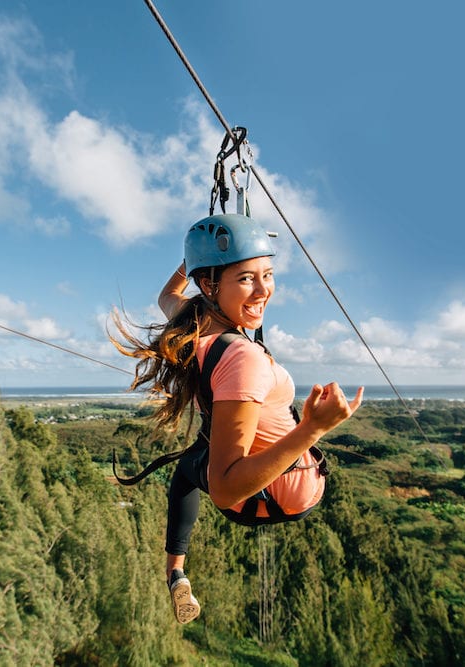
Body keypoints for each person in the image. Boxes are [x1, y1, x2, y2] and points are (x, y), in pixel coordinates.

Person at [112, 214, 364, 624]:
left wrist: (193, 261)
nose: (264, 290)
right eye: (247, 278)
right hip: (279, 491)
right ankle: (174, 570)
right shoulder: (242, 358)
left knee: (185, 473)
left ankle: (174, 570)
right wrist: (313, 429)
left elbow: (167, 294)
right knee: (195, 468)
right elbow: (227, 490)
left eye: (268, 274)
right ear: (210, 285)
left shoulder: (190, 322)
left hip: (263, 484)